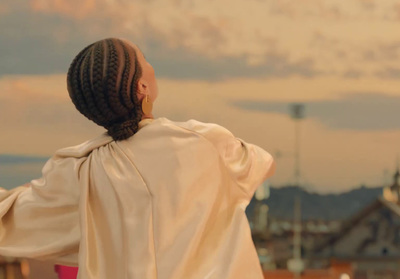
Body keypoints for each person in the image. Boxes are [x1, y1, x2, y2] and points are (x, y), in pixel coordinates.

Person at [0, 38, 276, 279]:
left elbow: (9, 221)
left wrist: (34, 189)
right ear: (143, 87)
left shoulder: (77, 173)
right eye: (145, 59)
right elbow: (262, 164)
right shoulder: (203, 143)